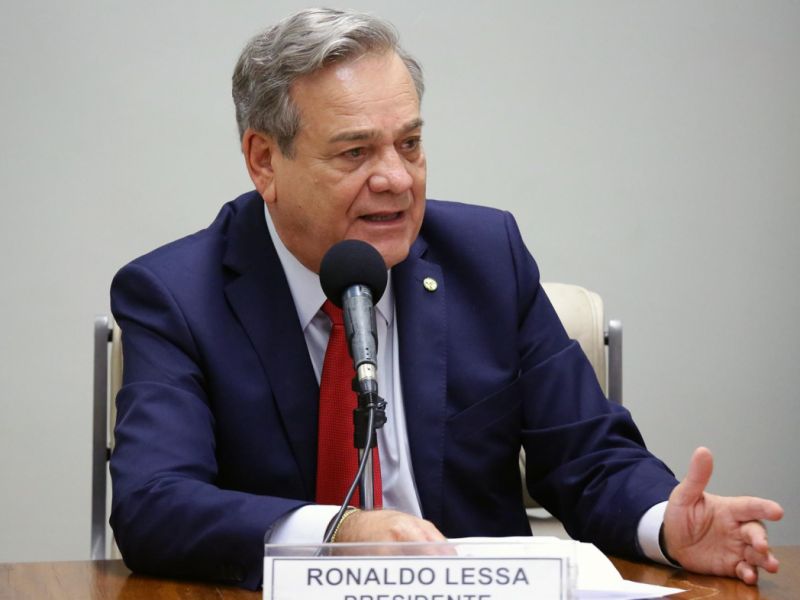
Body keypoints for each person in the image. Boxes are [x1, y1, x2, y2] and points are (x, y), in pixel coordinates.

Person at [109, 7, 783, 591]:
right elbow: (154, 503)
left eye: (409, 144)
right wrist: (337, 534)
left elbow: (588, 457)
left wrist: (667, 525)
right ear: (264, 160)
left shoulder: (486, 259)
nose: (397, 179)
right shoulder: (177, 296)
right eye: (355, 153)